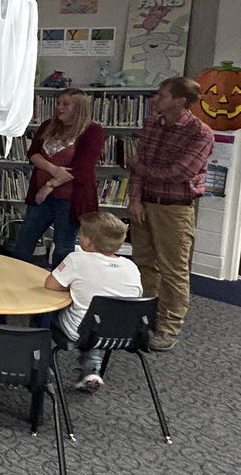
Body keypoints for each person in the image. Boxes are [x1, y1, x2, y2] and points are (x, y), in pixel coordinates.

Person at [126, 76, 214, 351]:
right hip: (146, 202)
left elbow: (180, 173)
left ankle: (168, 327)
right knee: (143, 262)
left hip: (175, 209)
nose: (156, 99)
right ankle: (144, 318)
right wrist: (135, 198)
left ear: (180, 101)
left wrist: (139, 170)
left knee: (173, 269)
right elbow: (140, 163)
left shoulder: (200, 134)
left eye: (162, 95)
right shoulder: (152, 123)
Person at [45, 212, 142, 391]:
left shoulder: (77, 259)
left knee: (44, 314)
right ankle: (91, 368)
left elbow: (50, 285)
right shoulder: (132, 267)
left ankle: (43, 366)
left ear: (88, 242)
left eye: (81, 233)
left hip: (82, 331)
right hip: (123, 332)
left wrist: (72, 286)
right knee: (97, 318)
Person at [14, 88, 105, 267]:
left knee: (63, 246)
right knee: (25, 240)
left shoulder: (92, 131)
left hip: (70, 200)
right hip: (41, 196)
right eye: (58, 103)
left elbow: (82, 167)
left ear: (78, 108)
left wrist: (50, 185)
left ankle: (58, 284)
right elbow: (33, 153)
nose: (59, 108)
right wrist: (53, 169)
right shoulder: (48, 125)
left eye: (66, 104)